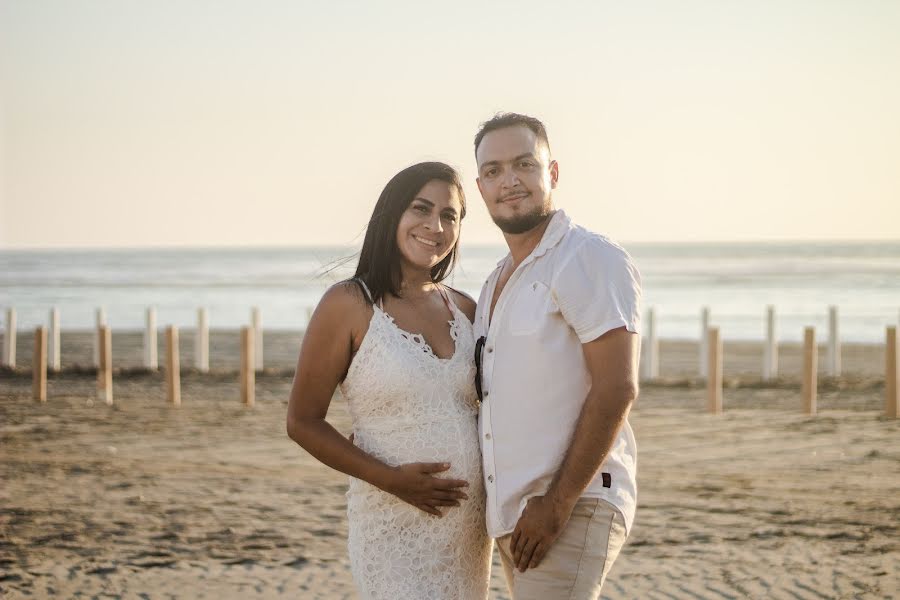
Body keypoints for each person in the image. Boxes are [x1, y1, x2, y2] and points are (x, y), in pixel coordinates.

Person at [285, 161, 492, 599]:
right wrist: (392, 480)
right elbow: (302, 422)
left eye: (449, 215)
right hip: (392, 522)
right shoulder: (348, 304)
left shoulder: (467, 310)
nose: (434, 226)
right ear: (393, 214)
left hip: (469, 533)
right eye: (421, 208)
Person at [472, 113, 642, 599]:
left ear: (553, 173)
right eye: (493, 171)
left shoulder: (586, 257)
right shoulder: (496, 282)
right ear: (480, 188)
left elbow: (617, 387)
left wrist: (557, 504)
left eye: (524, 164)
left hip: (571, 505)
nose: (509, 181)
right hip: (513, 517)